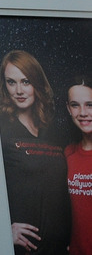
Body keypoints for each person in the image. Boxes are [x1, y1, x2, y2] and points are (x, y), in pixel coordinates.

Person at [0, 50, 70, 254]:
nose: (19, 90)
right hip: (25, 250)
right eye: (12, 82)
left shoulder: (53, 129)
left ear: (37, 83)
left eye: (25, 81)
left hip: (60, 248)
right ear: (5, 85)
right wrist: (3, 228)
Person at [64, 75, 92, 255]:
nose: (83, 112)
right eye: (75, 105)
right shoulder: (68, 153)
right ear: (68, 109)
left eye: (90, 105)